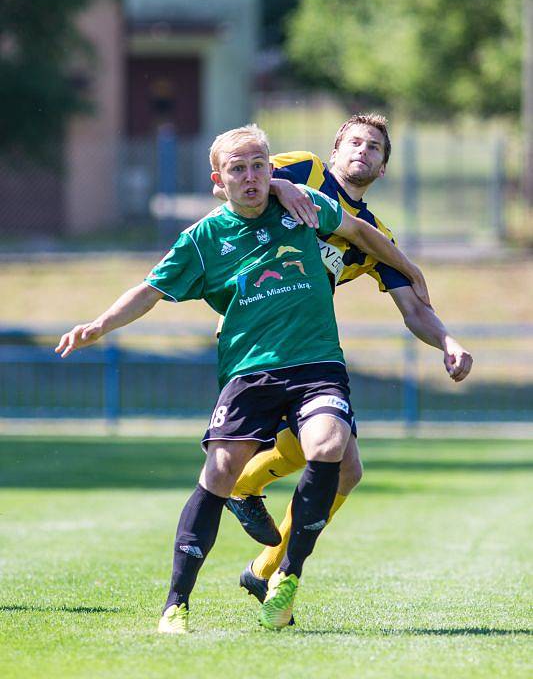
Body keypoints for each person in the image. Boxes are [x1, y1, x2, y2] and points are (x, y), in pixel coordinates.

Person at [56, 124, 430, 634]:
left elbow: (363, 235)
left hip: (317, 362)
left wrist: (412, 270)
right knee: (220, 471)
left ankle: (286, 577)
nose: (252, 176)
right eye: (239, 169)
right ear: (218, 180)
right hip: (250, 368)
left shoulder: (305, 207)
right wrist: (99, 324)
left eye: (260, 167)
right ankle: (175, 605)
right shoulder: (205, 237)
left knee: (331, 446)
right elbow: (150, 289)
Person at [215, 114, 473, 606]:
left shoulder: (374, 235)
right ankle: (244, 506)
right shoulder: (305, 171)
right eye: (354, 142)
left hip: (307, 345)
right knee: (321, 455)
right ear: (333, 152)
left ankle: (264, 566)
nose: (363, 150)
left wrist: (447, 342)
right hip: (256, 333)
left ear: (382, 169)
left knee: (342, 467)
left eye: (375, 147)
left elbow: (414, 308)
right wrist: (279, 187)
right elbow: (232, 187)